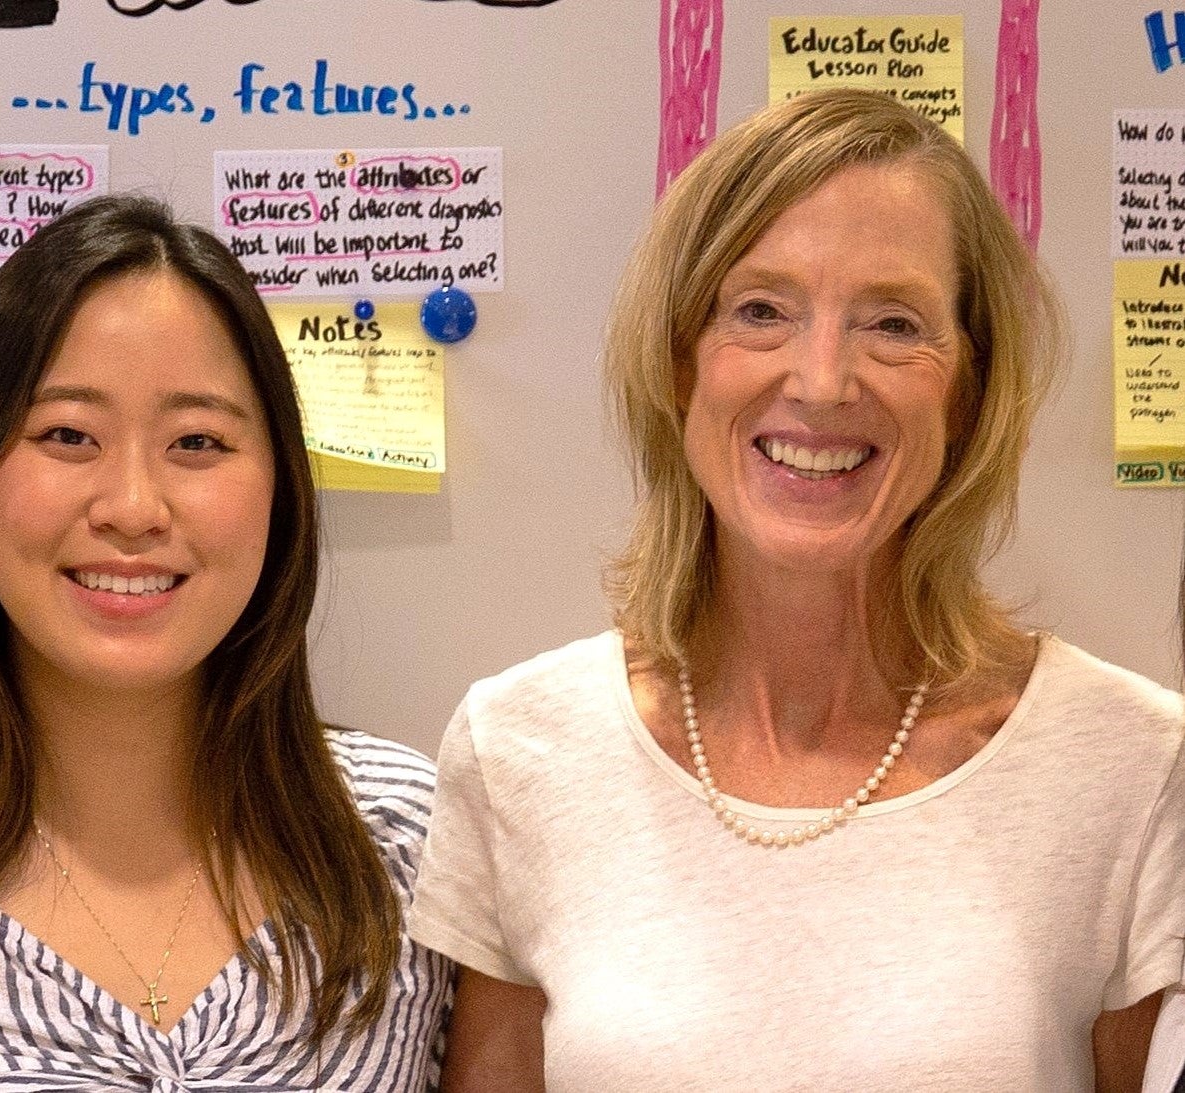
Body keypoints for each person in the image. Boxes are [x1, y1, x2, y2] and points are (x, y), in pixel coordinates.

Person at [409, 88, 1185, 1091]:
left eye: (894, 323)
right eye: (760, 310)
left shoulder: (1130, 764)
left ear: (969, 388)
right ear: (680, 363)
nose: (822, 380)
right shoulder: (516, 751)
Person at [0, 194, 450, 1091]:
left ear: (280, 492)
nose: (134, 508)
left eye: (198, 440)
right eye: (67, 434)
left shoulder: (406, 839)